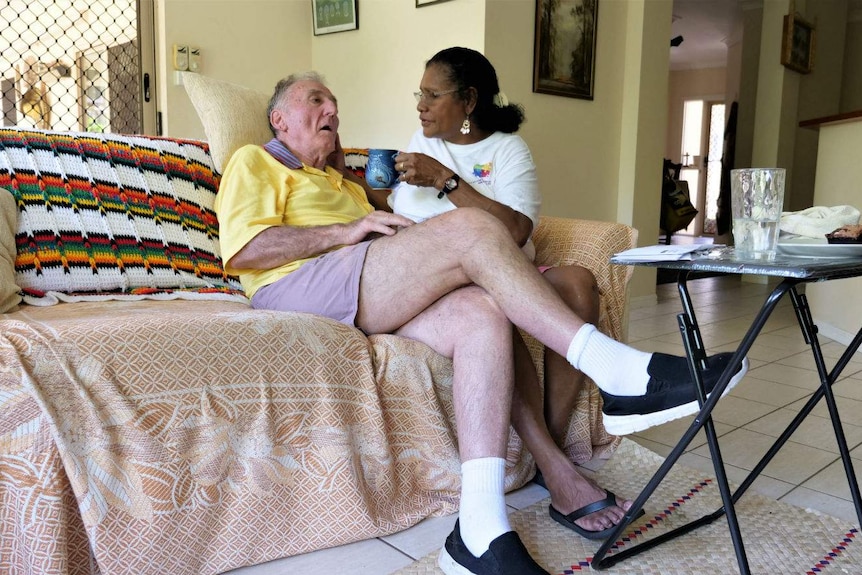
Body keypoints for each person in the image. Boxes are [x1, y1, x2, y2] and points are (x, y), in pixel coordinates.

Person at [214, 71, 748, 575]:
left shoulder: (344, 182)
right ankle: (618, 374)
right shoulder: (256, 162)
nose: (331, 108)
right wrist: (347, 232)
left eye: (334, 103)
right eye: (316, 101)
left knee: (484, 312)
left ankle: (478, 529)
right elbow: (243, 251)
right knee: (470, 227)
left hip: (361, 288)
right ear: (279, 119)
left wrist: (377, 222)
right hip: (302, 286)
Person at [388, 46, 637, 541]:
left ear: (469, 100)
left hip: (509, 266)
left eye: (432, 94)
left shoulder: (506, 149)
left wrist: (446, 180)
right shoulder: (418, 141)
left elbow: (519, 230)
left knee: (577, 284)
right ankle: (555, 467)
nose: (421, 104)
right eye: (420, 93)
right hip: (449, 280)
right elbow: (403, 216)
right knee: (491, 307)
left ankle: (552, 451)